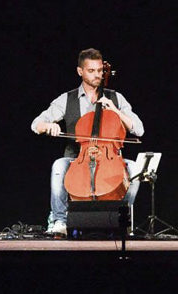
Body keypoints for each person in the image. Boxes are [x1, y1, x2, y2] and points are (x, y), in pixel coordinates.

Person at [31, 48, 144, 236]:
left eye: (100, 70)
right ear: (80, 71)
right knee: (58, 165)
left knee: (134, 170)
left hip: (109, 160)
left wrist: (116, 111)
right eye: (91, 71)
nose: (97, 75)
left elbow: (139, 129)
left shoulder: (116, 97)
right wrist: (49, 126)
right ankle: (60, 220)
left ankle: (121, 219)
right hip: (77, 159)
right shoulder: (67, 99)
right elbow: (36, 124)